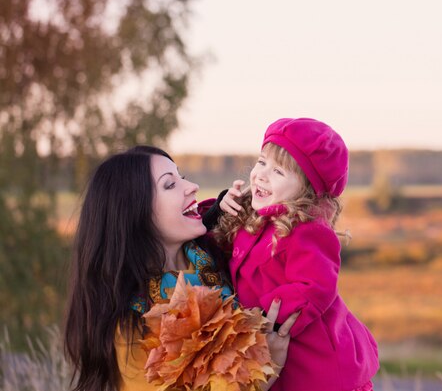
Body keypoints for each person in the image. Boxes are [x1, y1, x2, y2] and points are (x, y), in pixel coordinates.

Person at [64, 145, 298, 391]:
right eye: (169, 184)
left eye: (181, 177)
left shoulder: (212, 260)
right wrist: (267, 367)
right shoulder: (133, 325)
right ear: (135, 213)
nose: (192, 187)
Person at [212, 118, 379, 391]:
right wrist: (221, 207)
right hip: (272, 353)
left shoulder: (307, 231)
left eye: (279, 172)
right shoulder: (252, 218)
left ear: (306, 189)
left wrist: (259, 315)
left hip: (316, 363)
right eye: (262, 161)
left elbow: (314, 287)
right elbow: (216, 240)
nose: (262, 175)